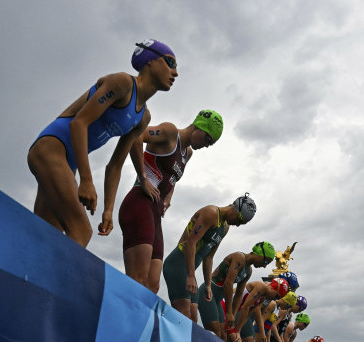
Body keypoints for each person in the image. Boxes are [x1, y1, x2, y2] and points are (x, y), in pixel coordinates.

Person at [27, 40, 177, 248]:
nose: (175, 72)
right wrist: (86, 180)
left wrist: (109, 209)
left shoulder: (143, 118)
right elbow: (79, 124)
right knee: (81, 230)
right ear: (149, 61)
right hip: (51, 148)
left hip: (66, 163)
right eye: (170, 62)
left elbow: (115, 165)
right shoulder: (123, 84)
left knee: (44, 238)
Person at [118, 110, 224, 292]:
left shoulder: (187, 153)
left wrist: (168, 197)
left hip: (155, 212)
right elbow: (135, 136)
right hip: (139, 203)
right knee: (138, 279)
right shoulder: (170, 132)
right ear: (200, 127)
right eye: (208, 140)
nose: (207, 146)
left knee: (152, 285)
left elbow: (172, 177)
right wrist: (143, 179)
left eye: (211, 144)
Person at [163, 194, 257, 320]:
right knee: (183, 316)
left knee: (193, 318)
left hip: (188, 271)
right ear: (235, 209)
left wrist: (207, 285)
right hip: (177, 266)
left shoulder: (225, 227)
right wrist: (191, 275)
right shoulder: (211, 213)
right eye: (240, 220)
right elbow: (191, 242)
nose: (238, 225)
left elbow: (209, 257)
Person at [198, 241, 275, 340]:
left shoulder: (248, 271)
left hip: (217, 299)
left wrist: (233, 316)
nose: (264, 265)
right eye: (266, 261)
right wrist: (229, 313)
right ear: (259, 253)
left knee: (223, 336)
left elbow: (238, 295)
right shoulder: (239, 258)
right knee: (216, 332)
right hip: (208, 292)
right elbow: (228, 284)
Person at [232, 277, 289, 342]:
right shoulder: (261, 287)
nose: (274, 299)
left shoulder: (264, 296)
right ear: (272, 288)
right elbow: (245, 308)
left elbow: (251, 312)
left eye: (277, 298)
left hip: (235, 311)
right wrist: (237, 331)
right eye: (276, 295)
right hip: (228, 307)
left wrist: (262, 334)